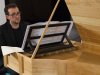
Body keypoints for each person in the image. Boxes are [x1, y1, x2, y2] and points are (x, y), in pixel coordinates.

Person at [0, 3, 29, 75]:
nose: (17, 16)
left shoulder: (26, 26)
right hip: (8, 60)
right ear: (7, 17)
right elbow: (3, 51)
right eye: (13, 14)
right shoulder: (2, 30)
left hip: (25, 58)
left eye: (18, 13)